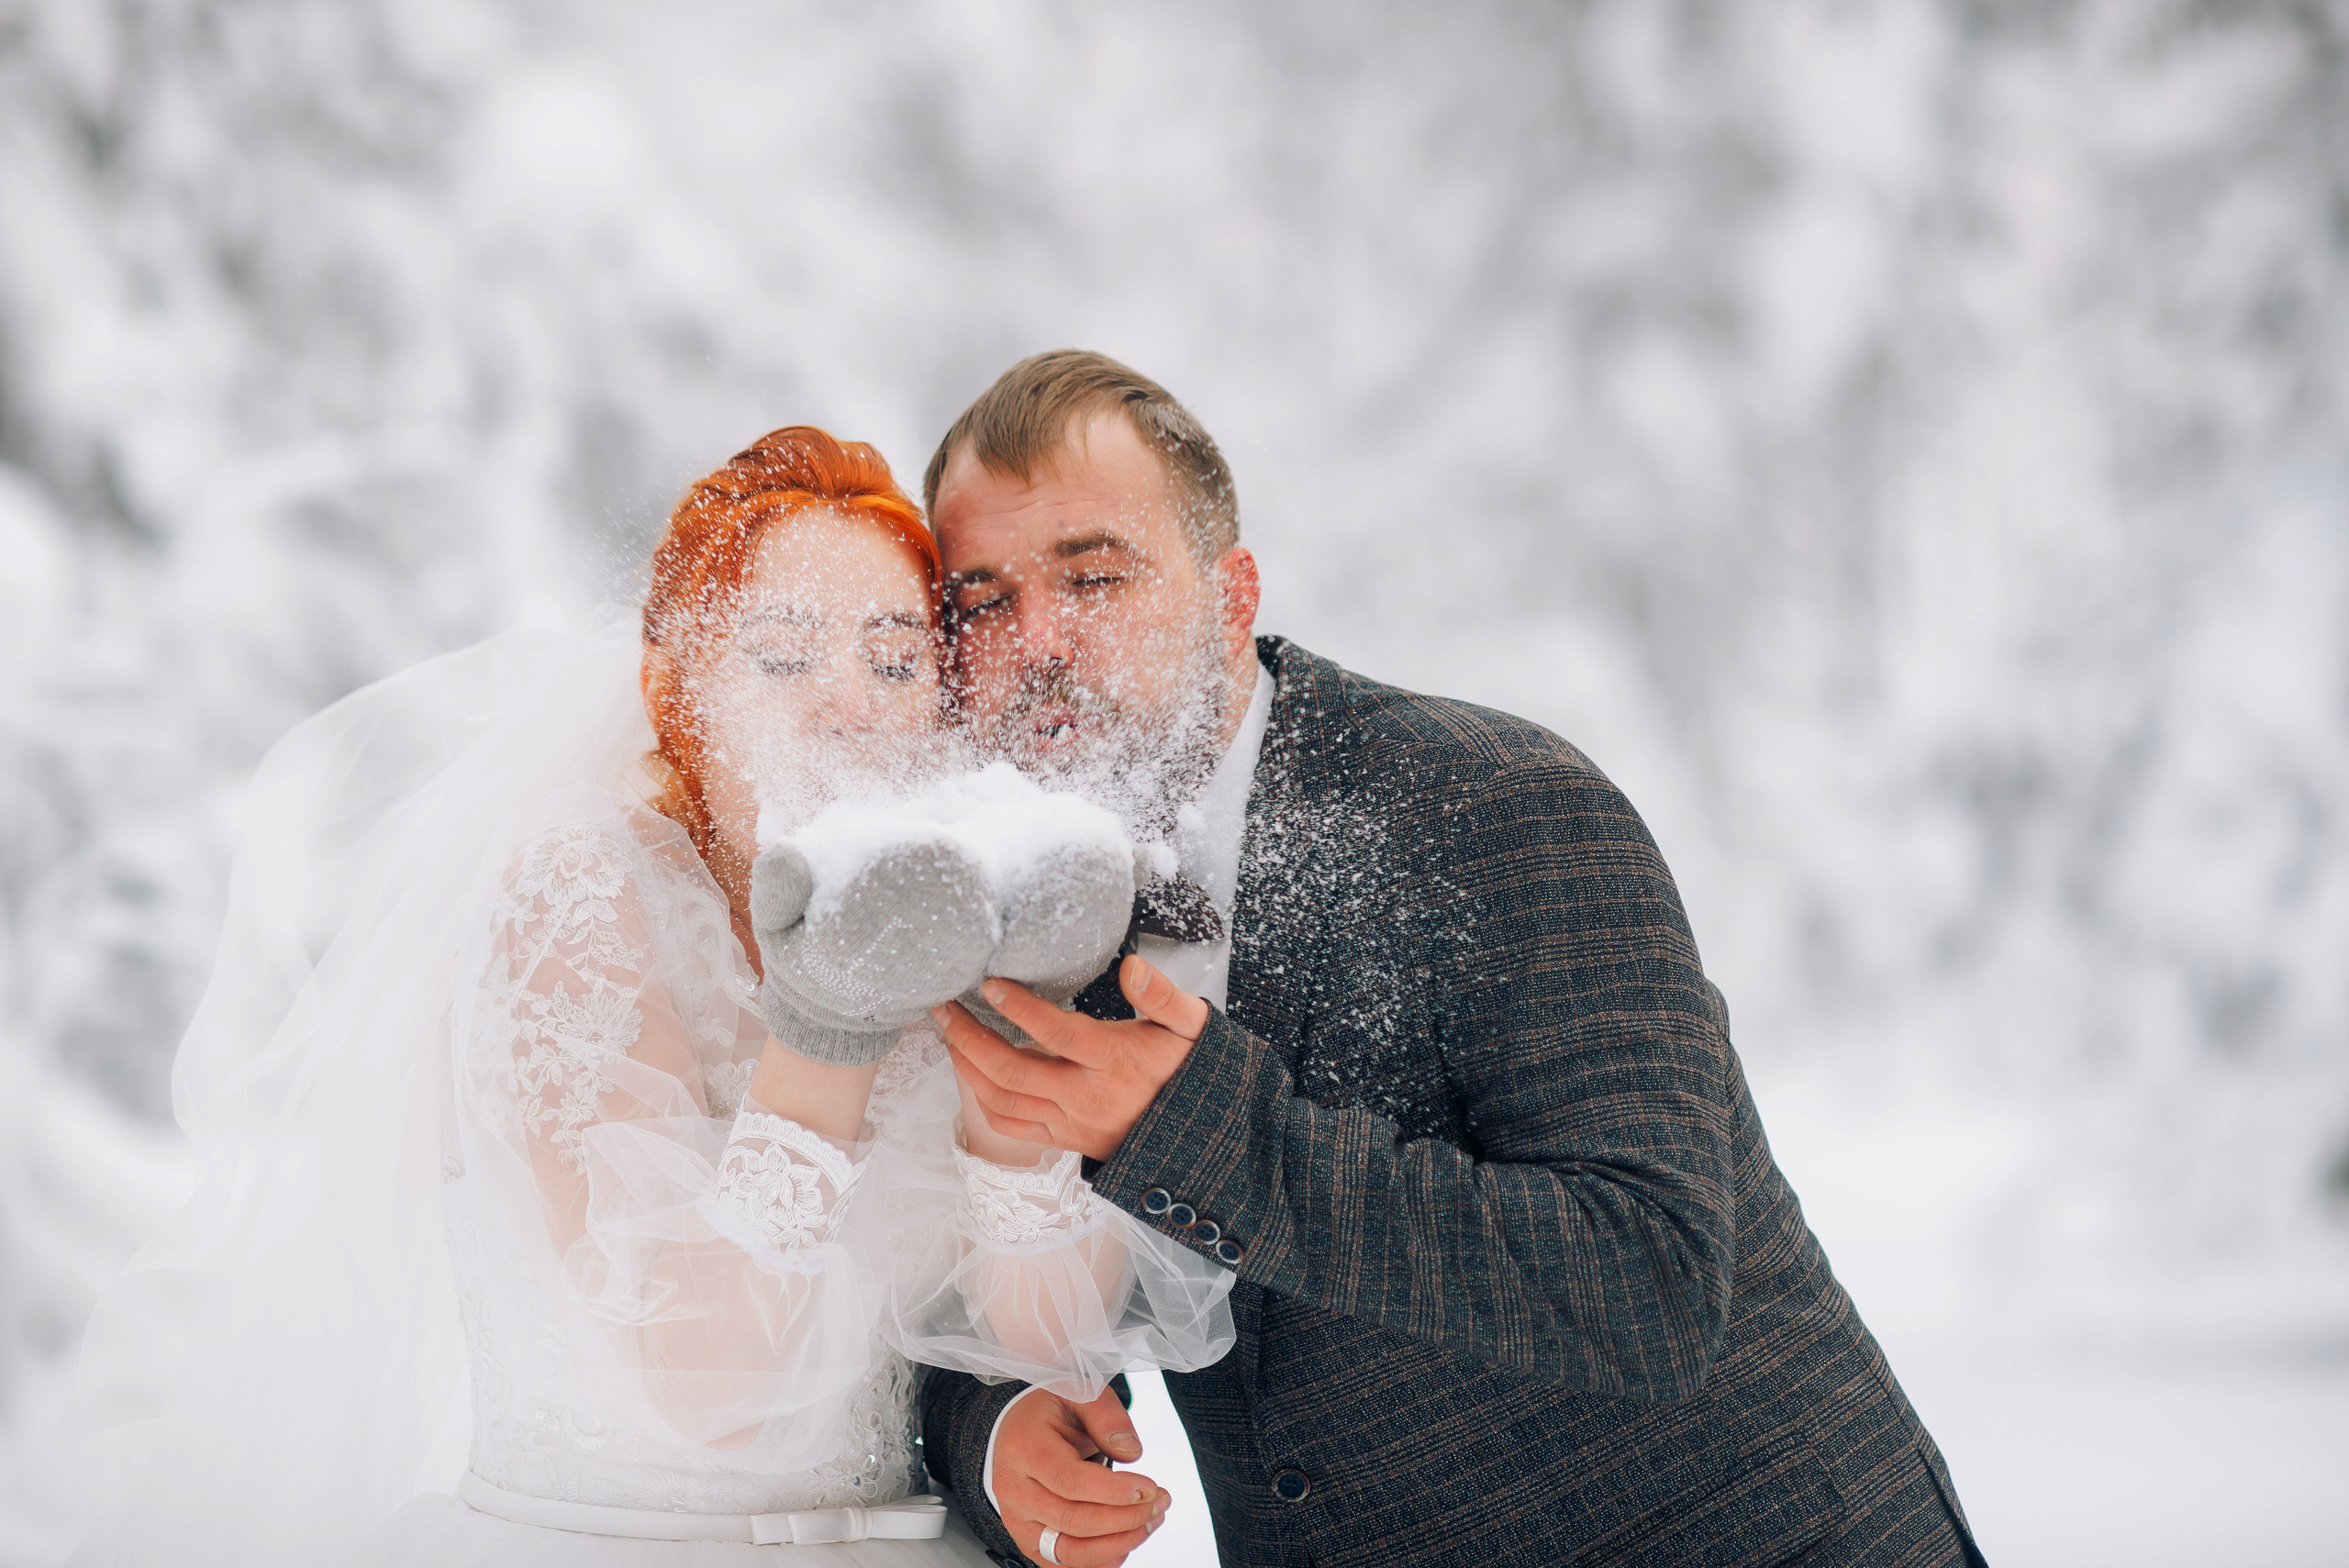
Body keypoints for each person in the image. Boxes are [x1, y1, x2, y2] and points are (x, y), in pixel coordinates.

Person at [64, 428, 1230, 1567]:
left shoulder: (937, 915)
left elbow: (1050, 1335)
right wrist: (829, 1019)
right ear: (676, 687)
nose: (849, 704)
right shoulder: (578, 895)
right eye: (783, 657)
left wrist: (1021, 1052)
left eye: (893, 662)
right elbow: (703, 1384)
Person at [918, 351, 1992, 1567]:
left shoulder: (1497, 802)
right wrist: (992, 1432)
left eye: (1094, 575)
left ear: (1230, 597)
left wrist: (1205, 1130)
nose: (1039, 641)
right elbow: (943, 1275)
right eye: (983, 602)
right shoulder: (1003, 902)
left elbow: (1652, 1279)